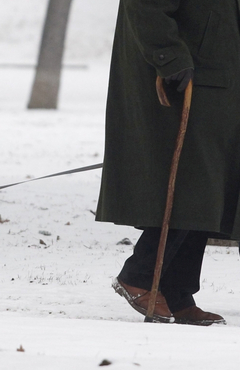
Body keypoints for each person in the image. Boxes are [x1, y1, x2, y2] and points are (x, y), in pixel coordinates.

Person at [96, 0, 240, 326]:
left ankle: (176, 293)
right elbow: (144, 6)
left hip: (218, 81)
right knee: (194, 183)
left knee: (208, 188)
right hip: (186, 81)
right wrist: (169, 56)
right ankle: (139, 276)